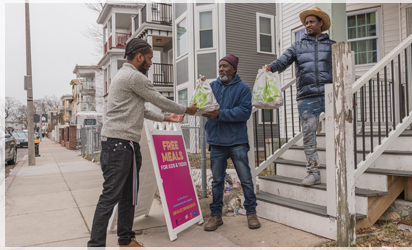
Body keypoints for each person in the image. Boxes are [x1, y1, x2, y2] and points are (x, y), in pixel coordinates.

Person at [87, 38, 198, 248]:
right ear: (139, 57)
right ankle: (95, 245)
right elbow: (159, 100)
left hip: (125, 145)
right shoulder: (134, 77)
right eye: (149, 58)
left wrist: (167, 118)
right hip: (118, 145)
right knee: (110, 196)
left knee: (128, 195)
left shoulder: (124, 76)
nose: (150, 63)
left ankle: (126, 240)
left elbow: (141, 109)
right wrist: (185, 109)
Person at [263, 7, 335, 186]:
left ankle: (339, 169)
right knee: (309, 136)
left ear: (320, 23)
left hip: (331, 95)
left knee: (339, 132)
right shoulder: (298, 46)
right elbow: (282, 61)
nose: (308, 25)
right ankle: (313, 173)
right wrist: (270, 67)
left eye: (311, 22)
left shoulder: (332, 46)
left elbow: (342, 70)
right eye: (306, 22)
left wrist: (347, 94)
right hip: (307, 98)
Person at [202, 54, 260, 231]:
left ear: (234, 69)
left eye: (225, 66)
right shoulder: (211, 87)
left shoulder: (243, 88)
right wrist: (200, 88)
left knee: (246, 179)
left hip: (237, 142)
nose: (221, 69)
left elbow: (243, 112)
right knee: (217, 181)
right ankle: (216, 215)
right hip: (217, 142)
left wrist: (219, 114)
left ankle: (251, 213)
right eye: (220, 66)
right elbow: (202, 104)